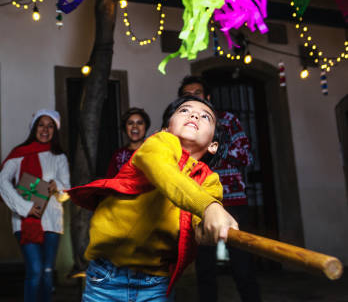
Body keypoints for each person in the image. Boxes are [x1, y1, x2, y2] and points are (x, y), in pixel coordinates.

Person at [69, 96, 238, 301]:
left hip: (156, 283)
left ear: (213, 145)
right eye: (184, 111)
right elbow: (164, 172)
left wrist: (206, 229)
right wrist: (208, 206)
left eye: (205, 116)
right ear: (164, 130)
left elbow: (198, 228)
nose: (194, 115)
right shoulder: (156, 145)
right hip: (107, 277)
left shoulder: (210, 181)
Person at [178, 75, 261, 302]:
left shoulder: (227, 120)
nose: (193, 98)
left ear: (207, 97)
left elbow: (245, 156)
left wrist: (213, 148)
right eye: (187, 96)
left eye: (197, 93)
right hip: (200, 204)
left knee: (242, 267)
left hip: (233, 201)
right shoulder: (182, 126)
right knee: (204, 269)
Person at [0, 109, 70, 302]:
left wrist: (59, 187)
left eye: (50, 125)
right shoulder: (19, 154)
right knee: (36, 270)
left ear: (55, 130)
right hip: (25, 221)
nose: (45, 129)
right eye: (41, 125)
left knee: (47, 273)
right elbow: (2, 181)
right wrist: (24, 207)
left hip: (52, 223)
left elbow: (66, 194)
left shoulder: (60, 157)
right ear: (34, 128)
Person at [106, 107, 151, 178]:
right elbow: (110, 181)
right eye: (130, 123)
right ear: (125, 128)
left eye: (139, 123)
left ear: (145, 127)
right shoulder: (118, 155)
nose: (135, 126)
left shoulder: (152, 151)